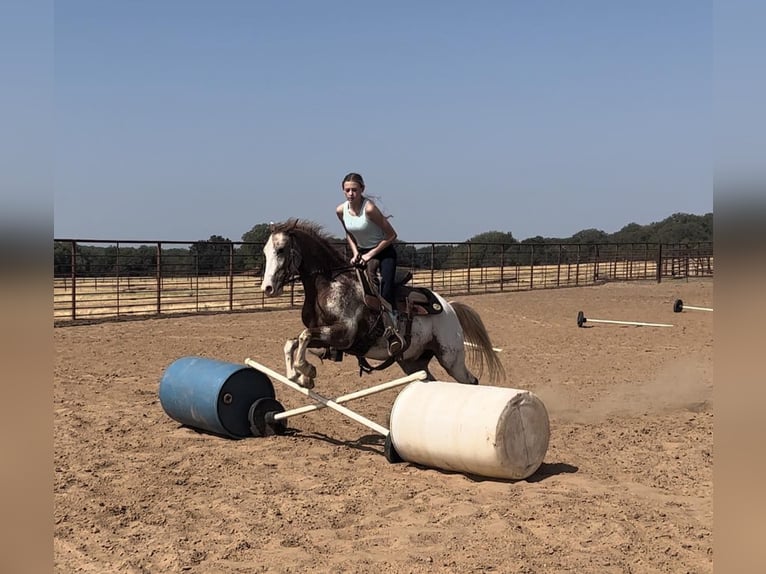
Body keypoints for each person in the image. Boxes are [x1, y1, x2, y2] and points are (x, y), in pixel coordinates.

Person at [336, 172, 403, 354]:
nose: (351, 194)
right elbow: (348, 233)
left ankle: (393, 326)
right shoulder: (341, 210)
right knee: (353, 288)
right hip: (363, 252)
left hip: (383, 251)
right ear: (343, 191)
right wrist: (356, 252)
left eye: (354, 190)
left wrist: (370, 254)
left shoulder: (370, 209)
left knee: (385, 287)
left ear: (362, 190)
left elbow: (391, 235)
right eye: (347, 190)